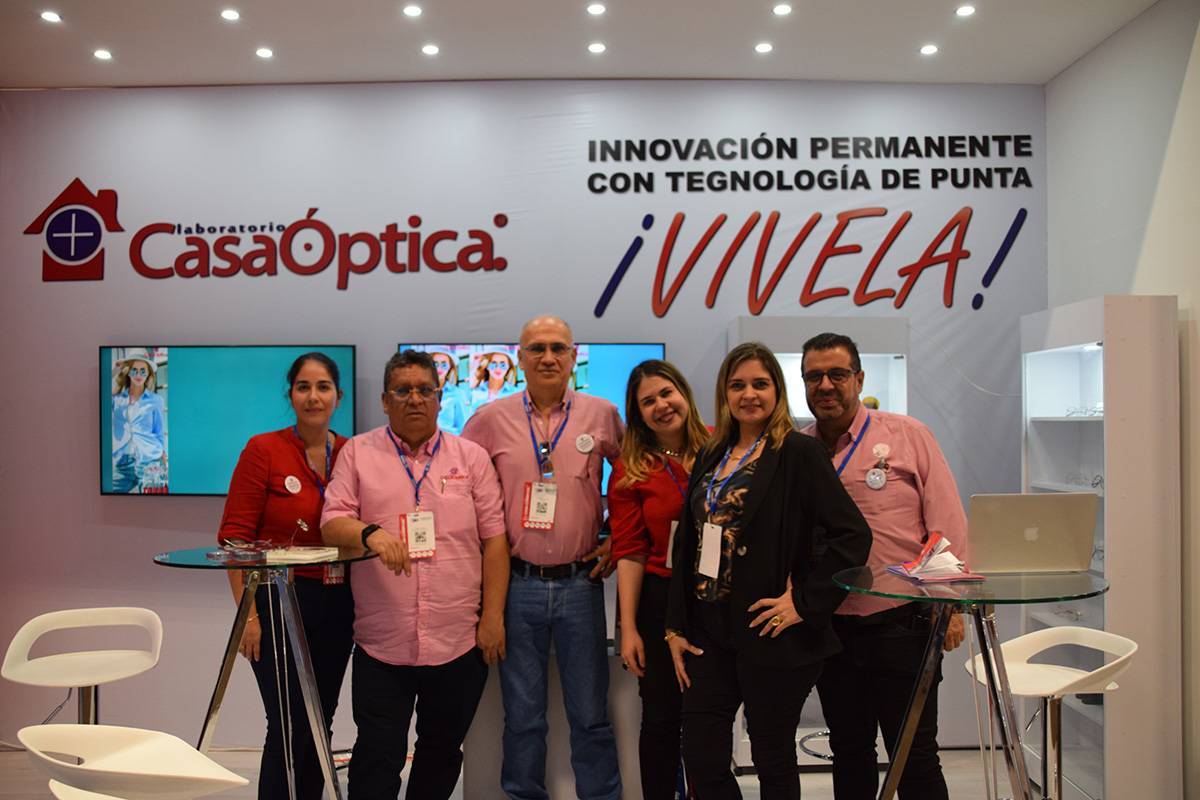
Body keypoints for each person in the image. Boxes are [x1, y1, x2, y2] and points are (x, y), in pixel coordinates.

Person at [665, 341, 872, 800]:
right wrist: (675, 625)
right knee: (701, 756)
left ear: (777, 390)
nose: (749, 395)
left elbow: (852, 536)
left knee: (771, 759)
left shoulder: (798, 452)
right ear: (724, 393)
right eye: (737, 385)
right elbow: (689, 543)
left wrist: (805, 603)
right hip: (708, 631)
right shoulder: (712, 452)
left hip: (769, 629)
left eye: (760, 384)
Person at [321, 349, 509, 800]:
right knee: (377, 757)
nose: (415, 399)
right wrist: (370, 534)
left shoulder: (471, 457)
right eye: (403, 391)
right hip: (383, 642)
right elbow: (332, 522)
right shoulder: (358, 453)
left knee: (440, 754)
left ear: (440, 398)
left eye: (425, 390)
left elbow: (495, 541)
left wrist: (492, 618)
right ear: (385, 401)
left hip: (457, 640)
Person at [799, 332, 968, 800]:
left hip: (902, 623)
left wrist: (950, 605)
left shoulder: (907, 435)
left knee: (913, 755)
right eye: (814, 376)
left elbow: (946, 522)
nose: (826, 385)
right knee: (849, 751)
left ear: (859, 378)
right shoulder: (798, 449)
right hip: (833, 627)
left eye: (837, 374)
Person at [461, 315, 623, 800]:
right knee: (523, 716)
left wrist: (618, 535)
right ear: (520, 357)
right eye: (537, 348)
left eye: (557, 348)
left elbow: (635, 478)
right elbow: (460, 488)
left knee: (590, 713)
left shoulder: (602, 414)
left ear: (573, 356)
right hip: (517, 585)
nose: (548, 357)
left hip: (581, 584)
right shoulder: (489, 419)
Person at [217, 351, 353, 800]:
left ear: (338, 396)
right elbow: (235, 540)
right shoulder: (264, 450)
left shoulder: (351, 452)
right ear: (290, 395)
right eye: (303, 387)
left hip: (338, 603)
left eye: (323, 387)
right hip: (276, 603)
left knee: (319, 719)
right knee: (286, 722)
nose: (313, 396)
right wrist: (248, 618)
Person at [607, 360, 710, 799]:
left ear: (683, 393)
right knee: (662, 717)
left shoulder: (721, 448)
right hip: (660, 600)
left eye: (666, 393)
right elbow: (629, 552)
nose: (661, 405)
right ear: (638, 414)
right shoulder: (631, 469)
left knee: (710, 716)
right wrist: (629, 628)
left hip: (713, 595)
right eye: (648, 401)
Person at [111, 347, 166, 493]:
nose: (138, 375)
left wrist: (163, 458)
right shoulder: (116, 400)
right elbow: (100, 390)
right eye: (134, 370)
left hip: (150, 462)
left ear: (148, 374)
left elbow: (159, 432)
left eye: (143, 371)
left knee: (153, 505)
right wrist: (116, 368)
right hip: (122, 463)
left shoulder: (156, 400)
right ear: (128, 372)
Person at [430, 349, 469, 433]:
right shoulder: (419, 392)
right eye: (435, 364)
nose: (439, 368)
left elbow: (463, 428)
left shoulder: (458, 394)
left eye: (444, 364)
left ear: (450, 367)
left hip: (448, 440)